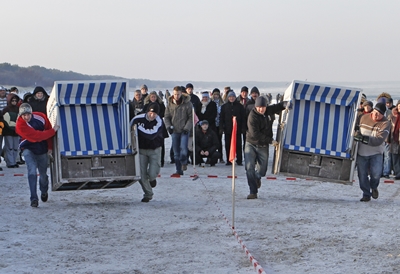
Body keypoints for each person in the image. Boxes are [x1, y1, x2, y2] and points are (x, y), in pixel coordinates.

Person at [15, 103, 59, 207]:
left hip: (42, 148)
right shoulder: (20, 125)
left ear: (31, 113)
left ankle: (44, 191)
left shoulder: (41, 117)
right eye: (24, 115)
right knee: (32, 172)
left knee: (43, 174)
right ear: (20, 116)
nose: (26, 117)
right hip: (28, 148)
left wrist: (50, 147)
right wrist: (53, 131)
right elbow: (37, 136)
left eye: (28, 115)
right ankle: (33, 198)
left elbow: (47, 131)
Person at [245, 96, 286, 199]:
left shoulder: (267, 111)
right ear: (255, 107)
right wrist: (270, 140)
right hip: (251, 143)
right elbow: (255, 134)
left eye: (263, 107)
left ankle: (258, 177)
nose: (261, 109)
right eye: (259, 107)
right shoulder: (252, 116)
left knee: (262, 169)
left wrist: (284, 104)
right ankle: (253, 192)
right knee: (249, 167)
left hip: (263, 145)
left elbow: (277, 107)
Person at [130, 103, 167, 202]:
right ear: (147, 112)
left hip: (155, 149)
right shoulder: (137, 119)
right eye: (151, 113)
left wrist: (139, 128)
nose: (152, 115)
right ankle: (148, 193)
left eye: (154, 114)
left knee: (152, 173)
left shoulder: (159, 121)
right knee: (141, 174)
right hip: (141, 150)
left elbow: (151, 134)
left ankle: (152, 179)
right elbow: (129, 129)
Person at [354, 102, 390, 202]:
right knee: (362, 175)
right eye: (375, 112)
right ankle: (366, 194)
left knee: (376, 174)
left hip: (376, 153)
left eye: (379, 114)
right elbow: (355, 129)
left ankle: (374, 186)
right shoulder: (363, 118)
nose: (376, 115)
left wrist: (363, 138)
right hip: (362, 152)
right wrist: (356, 134)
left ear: (383, 115)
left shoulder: (385, 123)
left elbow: (379, 140)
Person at [164, 86, 193, 175]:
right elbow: (167, 117)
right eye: (175, 94)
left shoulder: (187, 104)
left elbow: (191, 117)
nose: (176, 96)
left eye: (178, 94)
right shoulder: (170, 104)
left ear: (181, 94)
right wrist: (168, 127)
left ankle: (184, 162)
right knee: (176, 152)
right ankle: (178, 170)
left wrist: (187, 128)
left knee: (183, 149)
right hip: (175, 130)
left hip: (184, 130)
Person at [220, 91, 245, 166]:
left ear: (235, 97)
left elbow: (243, 118)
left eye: (233, 97)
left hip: (237, 129)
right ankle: (229, 160)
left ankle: (239, 160)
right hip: (227, 130)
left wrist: (243, 128)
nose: (231, 98)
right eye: (230, 97)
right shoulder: (224, 107)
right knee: (228, 145)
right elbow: (221, 118)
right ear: (228, 98)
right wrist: (221, 128)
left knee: (238, 145)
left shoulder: (240, 106)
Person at [142, 91, 167, 167]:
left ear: (157, 97)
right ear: (149, 97)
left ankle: (161, 160)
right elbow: (144, 113)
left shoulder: (161, 104)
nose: (153, 98)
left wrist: (156, 116)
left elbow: (164, 113)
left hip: (159, 123)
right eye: (152, 97)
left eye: (154, 97)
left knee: (161, 143)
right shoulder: (146, 105)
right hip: (149, 124)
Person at [2, 94, 20, 168]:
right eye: (12, 100)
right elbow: (4, 120)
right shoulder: (6, 109)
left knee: (15, 147)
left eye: (15, 100)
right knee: (9, 147)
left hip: (16, 131)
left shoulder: (18, 109)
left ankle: (14, 161)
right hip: (8, 131)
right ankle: (10, 162)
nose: (14, 102)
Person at [211, 88, 225, 163]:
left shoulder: (222, 104)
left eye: (217, 94)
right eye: (215, 94)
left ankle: (221, 157)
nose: (216, 96)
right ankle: (212, 156)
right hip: (212, 125)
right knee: (212, 141)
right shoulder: (211, 103)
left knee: (219, 141)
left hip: (219, 125)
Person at [389, 101, 400, 180]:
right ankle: (397, 173)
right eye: (399, 106)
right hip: (394, 139)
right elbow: (388, 127)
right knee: (395, 158)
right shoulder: (392, 116)